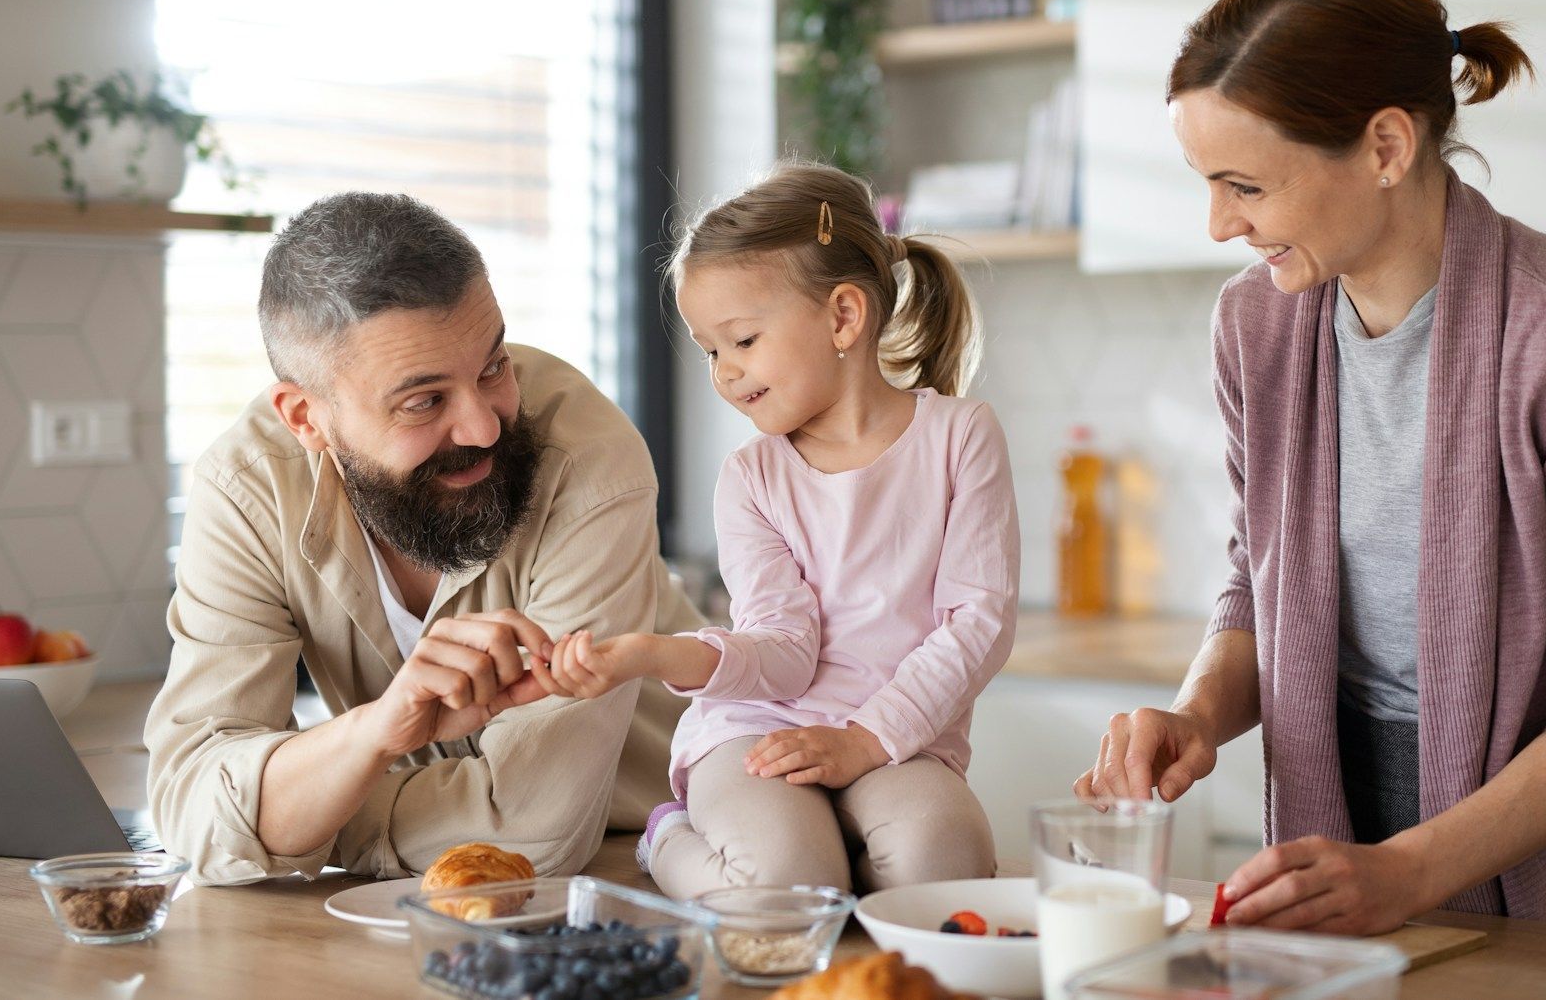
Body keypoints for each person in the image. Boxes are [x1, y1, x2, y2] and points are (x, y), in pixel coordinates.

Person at [1077, 0, 1546, 937]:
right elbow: (1260, 581)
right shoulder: (1256, 327)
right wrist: (1196, 716)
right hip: (1338, 817)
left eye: (1245, 184)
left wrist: (1409, 873)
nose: (1217, 224)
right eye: (1205, 181)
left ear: (1384, 147)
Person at [145, 192, 704, 885]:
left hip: (655, 853)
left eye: (493, 367)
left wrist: (303, 812)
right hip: (416, 904)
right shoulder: (248, 488)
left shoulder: (587, 458)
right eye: (424, 401)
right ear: (305, 417)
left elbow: (536, 836)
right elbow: (186, 801)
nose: (484, 427)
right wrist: (376, 732)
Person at [546, 162, 1018, 898]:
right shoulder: (751, 478)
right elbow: (785, 651)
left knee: (944, 865)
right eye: (710, 349)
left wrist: (865, 742)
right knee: (789, 889)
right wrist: (647, 653)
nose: (724, 373)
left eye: (742, 340)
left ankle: (848, 866)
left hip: (898, 738)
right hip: (758, 727)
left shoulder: (961, 436)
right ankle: (669, 837)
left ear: (842, 317)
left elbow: (978, 623)